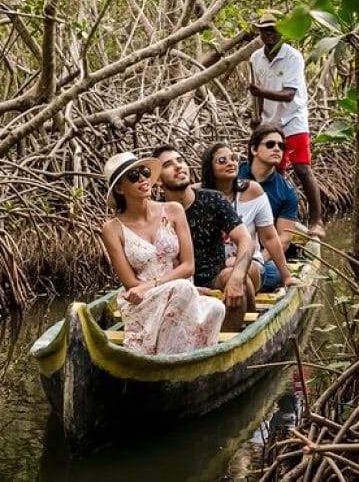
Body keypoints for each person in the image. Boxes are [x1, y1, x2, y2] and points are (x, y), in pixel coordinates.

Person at [99, 151, 225, 354]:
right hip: (143, 300)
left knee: (216, 308)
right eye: (133, 176)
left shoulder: (174, 210)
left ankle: (177, 358)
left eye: (145, 172)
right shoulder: (112, 229)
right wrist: (171, 289)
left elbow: (188, 266)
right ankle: (163, 360)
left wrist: (176, 288)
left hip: (179, 291)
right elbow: (130, 284)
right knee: (183, 289)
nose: (142, 179)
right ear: (120, 189)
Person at [151, 145, 255, 331]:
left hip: (213, 280)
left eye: (180, 161)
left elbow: (245, 239)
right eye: (168, 164)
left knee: (239, 279)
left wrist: (237, 277)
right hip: (175, 285)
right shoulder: (155, 212)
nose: (178, 166)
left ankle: (228, 340)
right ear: (157, 180)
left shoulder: (213, 200)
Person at [248, 12, 326, 239]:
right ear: (260, 33)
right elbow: (257, 95)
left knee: (302, 168)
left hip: (293, 120)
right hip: (269, 123)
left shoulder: (293, 56)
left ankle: (317, 220)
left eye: (274, 30)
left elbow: (289, 94)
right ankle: (274, 219)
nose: (269, 35)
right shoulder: (255, 58)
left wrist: (260, 92)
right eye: (265, 30)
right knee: (274, 173)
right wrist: (258, 118)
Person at [199, 142, 297, 293]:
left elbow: (269, 238)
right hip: (212, 269)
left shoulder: (252, 190)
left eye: (233, 158)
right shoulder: (198, 195)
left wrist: (286, 276)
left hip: (250, 263)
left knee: (244, 270)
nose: (231, 163)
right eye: (222, 160)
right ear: (209, 168)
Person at [239, 125, 300, 288]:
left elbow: (284, 238)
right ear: (254, 149)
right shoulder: (233, 174)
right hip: (226, 248)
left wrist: (258, 258)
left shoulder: (287, 192)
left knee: (276, 273)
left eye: (281, 146)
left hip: (260, 256)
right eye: (270, 144)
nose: (277, 149)